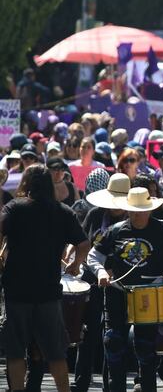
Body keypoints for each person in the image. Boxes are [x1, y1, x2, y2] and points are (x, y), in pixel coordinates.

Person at [87, 187, 163, 392]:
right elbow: (94, 255)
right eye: (133, 210)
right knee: (113, 343)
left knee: (145, 347)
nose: (136, 214)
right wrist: (100, 272)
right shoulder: (115, 230)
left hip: (149, 295)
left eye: (141, 210)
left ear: (149, 210)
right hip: (118, 292)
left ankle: (148, 388)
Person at [0, 165, 89, 392]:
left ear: (26, 183)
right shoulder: (62, 211)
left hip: (17, 291)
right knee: (56, 353)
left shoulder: (14, 208)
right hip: (48, 292)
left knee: (16, 351)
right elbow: (83, 243)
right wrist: (75, 263)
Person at [71, 173, 132, 392]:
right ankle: (81, 382)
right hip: (92, 279)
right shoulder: (95, 214)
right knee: (87, 333)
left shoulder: (132, 219)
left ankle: (112, 385)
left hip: (119, 283)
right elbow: (83, 242)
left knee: (113, 336)